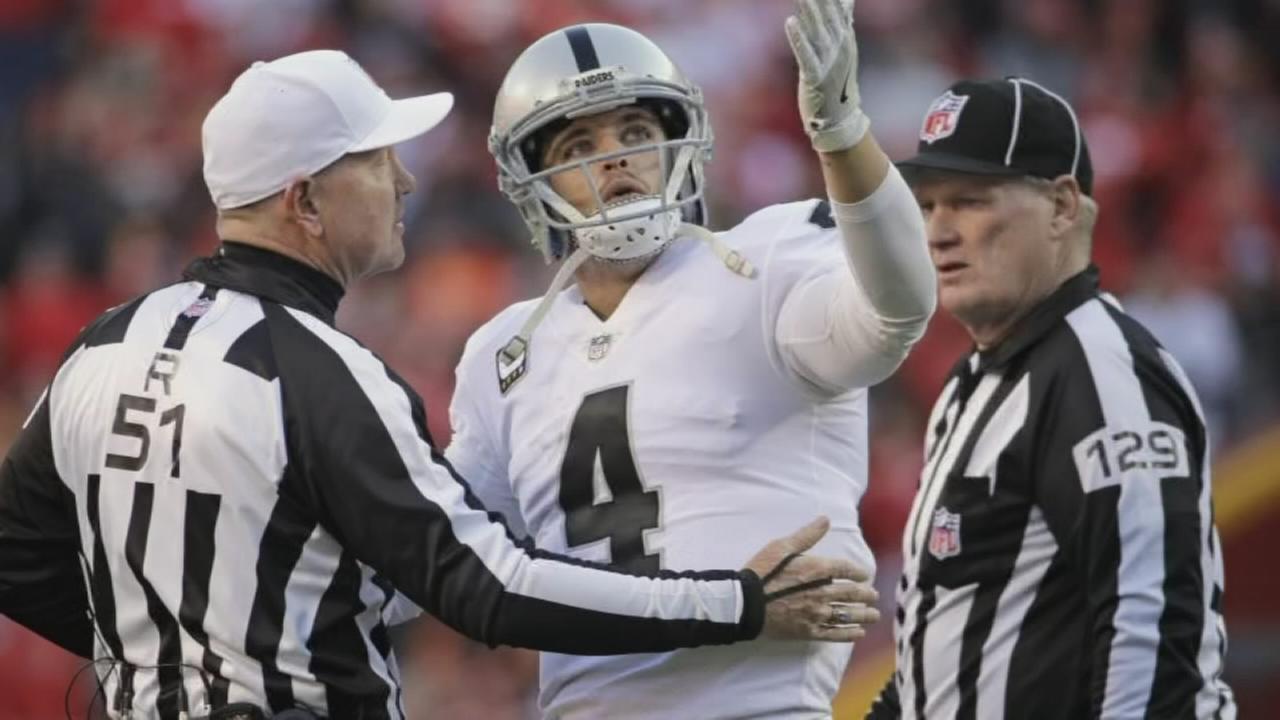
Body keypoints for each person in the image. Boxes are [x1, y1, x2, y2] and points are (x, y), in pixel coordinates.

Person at [0, 49, 880, 720]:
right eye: (376, 160)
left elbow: (13, 553)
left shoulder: (100, 346)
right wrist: (734, 601)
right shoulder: (321, 372)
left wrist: (159, 652)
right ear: (305, 202)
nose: (406, 179)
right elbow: (482, 586)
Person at [446, 1, 936, 717]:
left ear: (681, 143)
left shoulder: (766, 261)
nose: (615, 156)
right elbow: (438, 557)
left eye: (636, 132)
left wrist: (842, 135)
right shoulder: (504, 350)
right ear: (533, 182)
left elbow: (898, 310)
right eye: (578, 143)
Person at [868, 78, 1236, 718]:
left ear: (1063, 207)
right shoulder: (970, 384)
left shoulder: (1103, 372)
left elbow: (1152, 640)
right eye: (927, 207)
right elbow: (937, 640)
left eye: (969, 201)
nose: (938, 232)